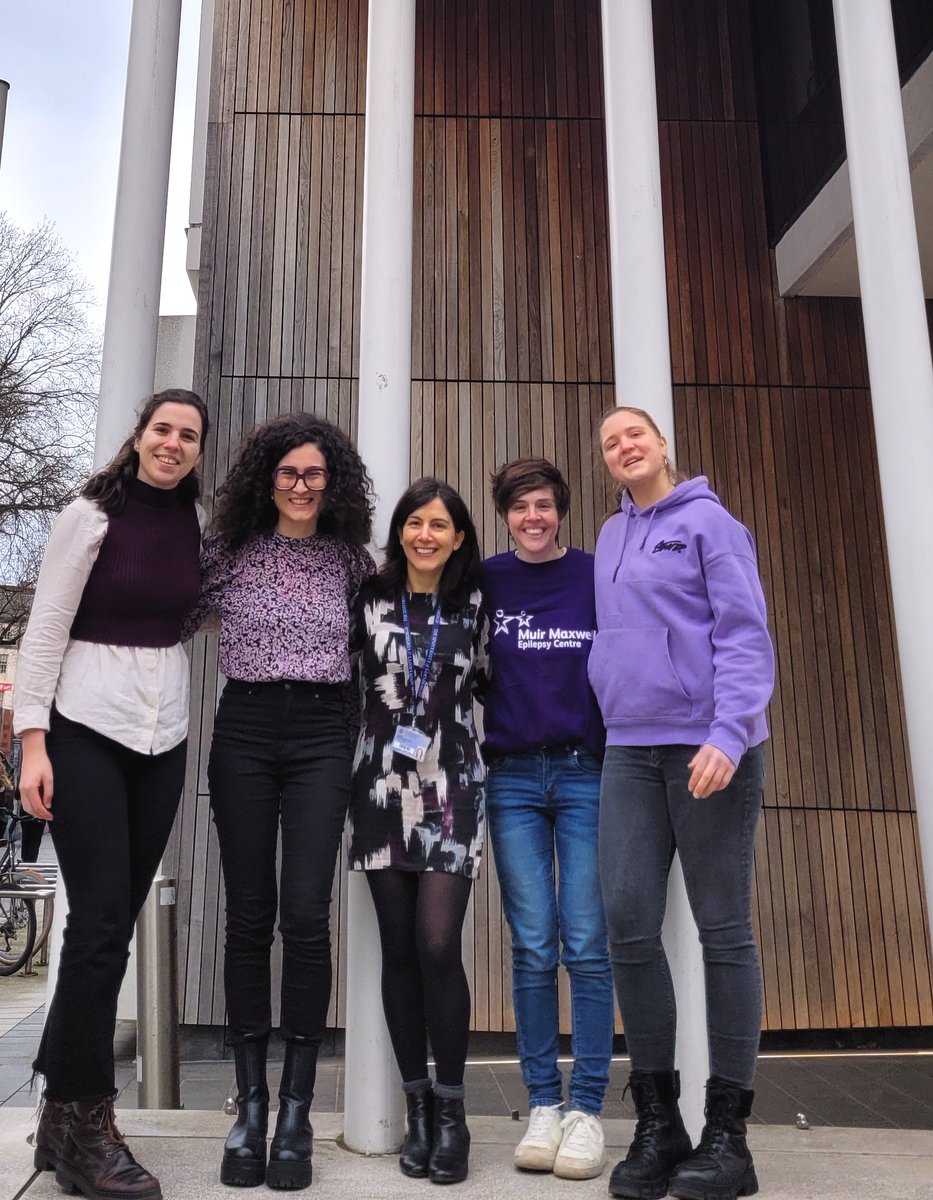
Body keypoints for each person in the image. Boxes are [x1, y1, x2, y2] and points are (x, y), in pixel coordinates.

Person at [14, 388, 209, 1200]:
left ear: (200, 451)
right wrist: (32, 741)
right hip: (85, 728)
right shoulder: (90, 515)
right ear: (138, 436)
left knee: (110, 929)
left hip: (162, 735)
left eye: (188, 435)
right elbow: (45, 625)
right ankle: (87, 1120)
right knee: (97, 926)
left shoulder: (199, 528)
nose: (172, 443)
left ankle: (59, 1122)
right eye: (162, 429)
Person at [590, 407, 775, 1200]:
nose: (623, 446)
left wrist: (729, 733)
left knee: (722, 929)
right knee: (627, 926)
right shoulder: (609, 535)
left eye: (634, 434)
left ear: (662, 444)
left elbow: (743, 632)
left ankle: (728, 1137)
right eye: (608, 442)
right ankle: (659, 1124)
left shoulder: (710, 523)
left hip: (707, 746)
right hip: (628, 746)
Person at [190, 413, 374, 1190]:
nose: (301, 487)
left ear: (331, 483)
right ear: (266, 478)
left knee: (305, 913)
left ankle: (297, 1108)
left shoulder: (349, 562)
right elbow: (164, 618)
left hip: (324, 733)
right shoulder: (225, 554)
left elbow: (388, 650)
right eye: (288, 474)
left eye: (314, 475)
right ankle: (251, 1106)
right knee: (249, 916)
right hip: (246, 727)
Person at [349, 477, 488, 1186]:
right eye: (413, 522)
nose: (425, 534)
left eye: (439, 525)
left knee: (438, 944)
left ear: (458, 537)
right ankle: (418, 1111)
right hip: (378, 784)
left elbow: (501, 683)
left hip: (453, 785)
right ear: (399, 530)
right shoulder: (368, 598)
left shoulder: (475, 603)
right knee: (398, 950)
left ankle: (455, 1111)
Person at [480, 457, 612, 1181]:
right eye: (519, 507)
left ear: (560, 510)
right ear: (504, 514)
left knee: (587, 942)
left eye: (544, 506)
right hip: (511, 778)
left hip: (584, 772)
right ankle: (542, 1104)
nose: (533, 517)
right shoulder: (488, 579)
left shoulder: (595, 574)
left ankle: (587, 1109)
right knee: (532, 943)